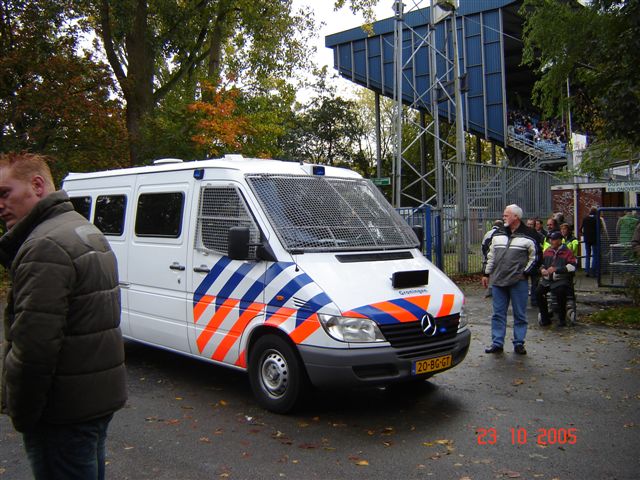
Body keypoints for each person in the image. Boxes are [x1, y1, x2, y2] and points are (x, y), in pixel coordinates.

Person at [0, 152, 127, 479]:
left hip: (62, 412)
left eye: (5, 193)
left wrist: (23, 414)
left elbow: (33, 350)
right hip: (93, 402)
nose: (0, 205)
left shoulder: (45, 246)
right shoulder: (83, 230)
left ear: (37, 185)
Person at [482, 204, 541, 355]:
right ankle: (497, 343)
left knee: (520, 314)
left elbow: (536, 258)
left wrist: (525, 273)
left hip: (518, 282)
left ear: (516, 217)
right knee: (497, 314)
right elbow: (491, 256)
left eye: (506, 215)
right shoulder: (498, 234)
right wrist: (486, 274)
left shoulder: (530, 235)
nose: (504, 217)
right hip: (498, 280)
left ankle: (519, 343)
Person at [536, 231, 577, 327]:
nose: (551, 241)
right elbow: (541, 264)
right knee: (538, 292)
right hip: (547, 280)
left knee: (560, 291)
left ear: (559, 240)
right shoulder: (547, 251)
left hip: (561, 280)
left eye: (553, 239)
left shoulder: (567, 252)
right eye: (550, 239)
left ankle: (562, 319)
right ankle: (545, 318)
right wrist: (542, 269)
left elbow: (572, 267)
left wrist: (557, 269)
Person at [481, 219, 504, 298]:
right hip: (499, 256)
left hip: (489, 255)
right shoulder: (502, 233)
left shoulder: (487, 233)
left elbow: (483, 246)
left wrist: (485, 256)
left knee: (489, 271)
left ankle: (490, 289)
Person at [581, 207, 598, 277]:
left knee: (587, 255)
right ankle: (593, 271)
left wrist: (584, 234)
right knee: (595, 255)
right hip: (595, 239)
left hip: (587, 239)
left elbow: (581, 229)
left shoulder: (585, 219)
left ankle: (587, 271)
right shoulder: (597, 219)